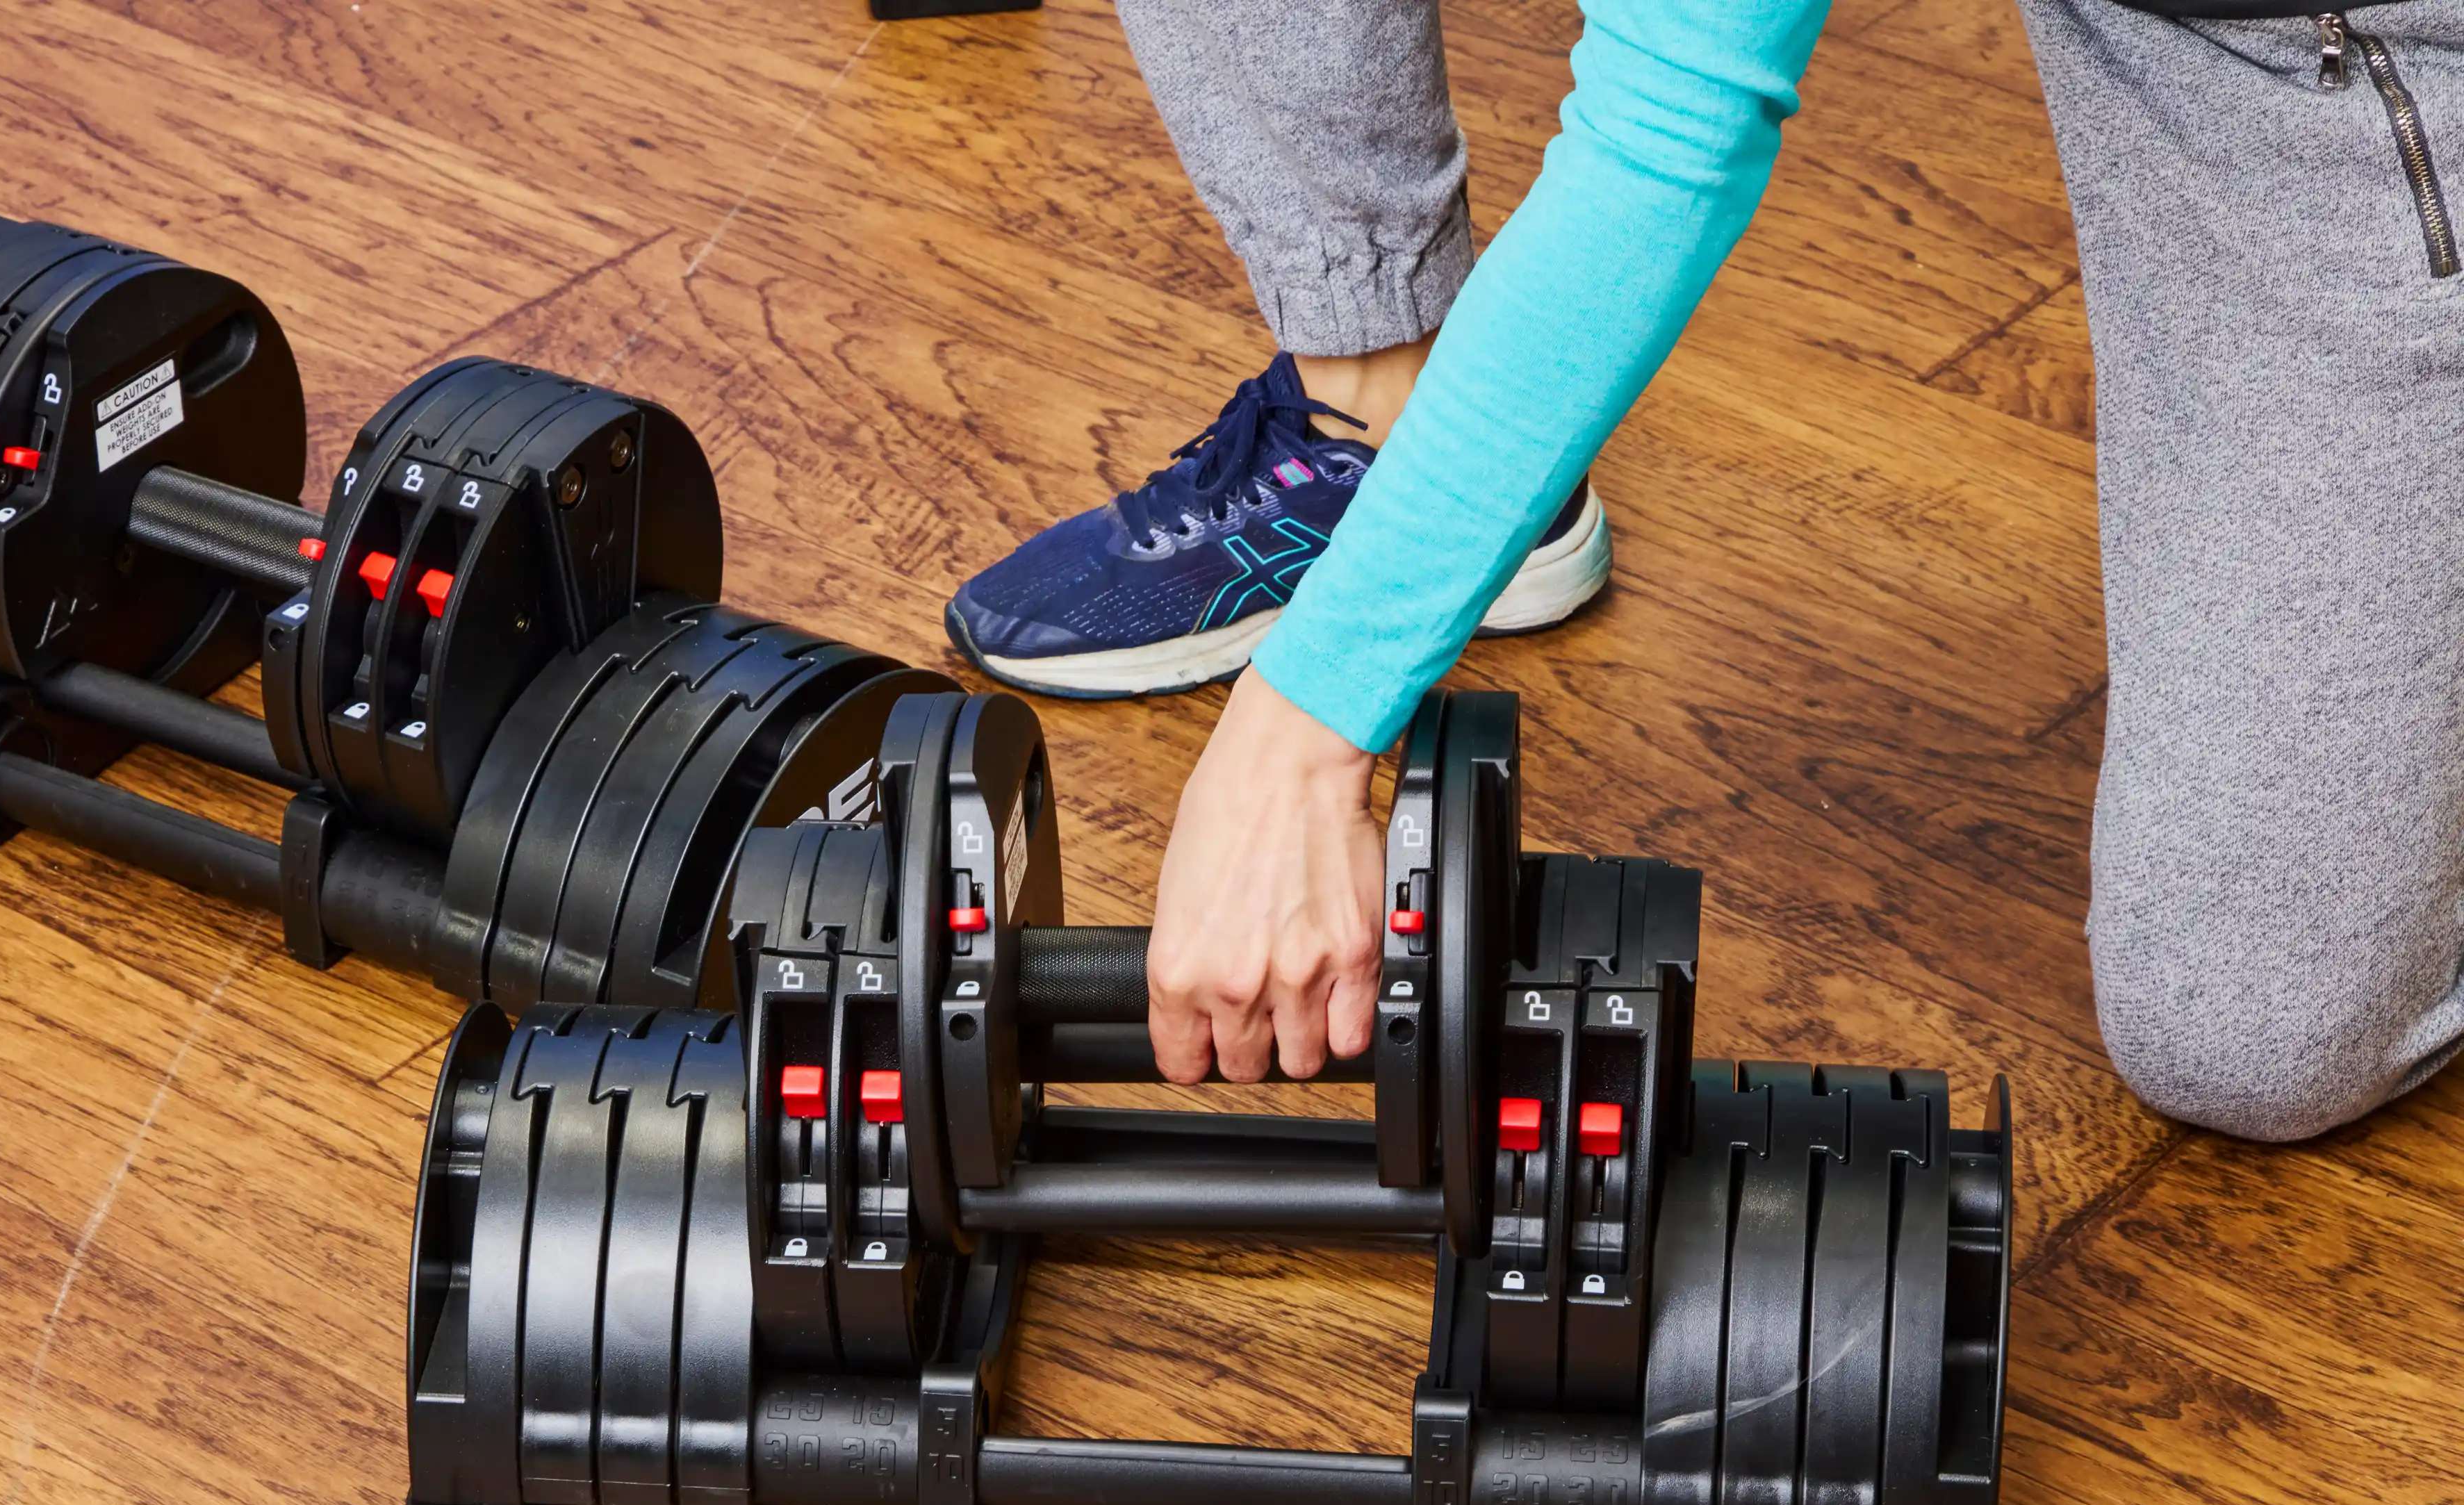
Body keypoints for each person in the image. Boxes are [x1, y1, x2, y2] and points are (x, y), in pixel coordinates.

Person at [944, 0, 2464, 1143]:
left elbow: (1666, 140)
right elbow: (1676, 81)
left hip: (2338, 51)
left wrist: (1294, 745)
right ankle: (1376, 405)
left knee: (2251, 1024)